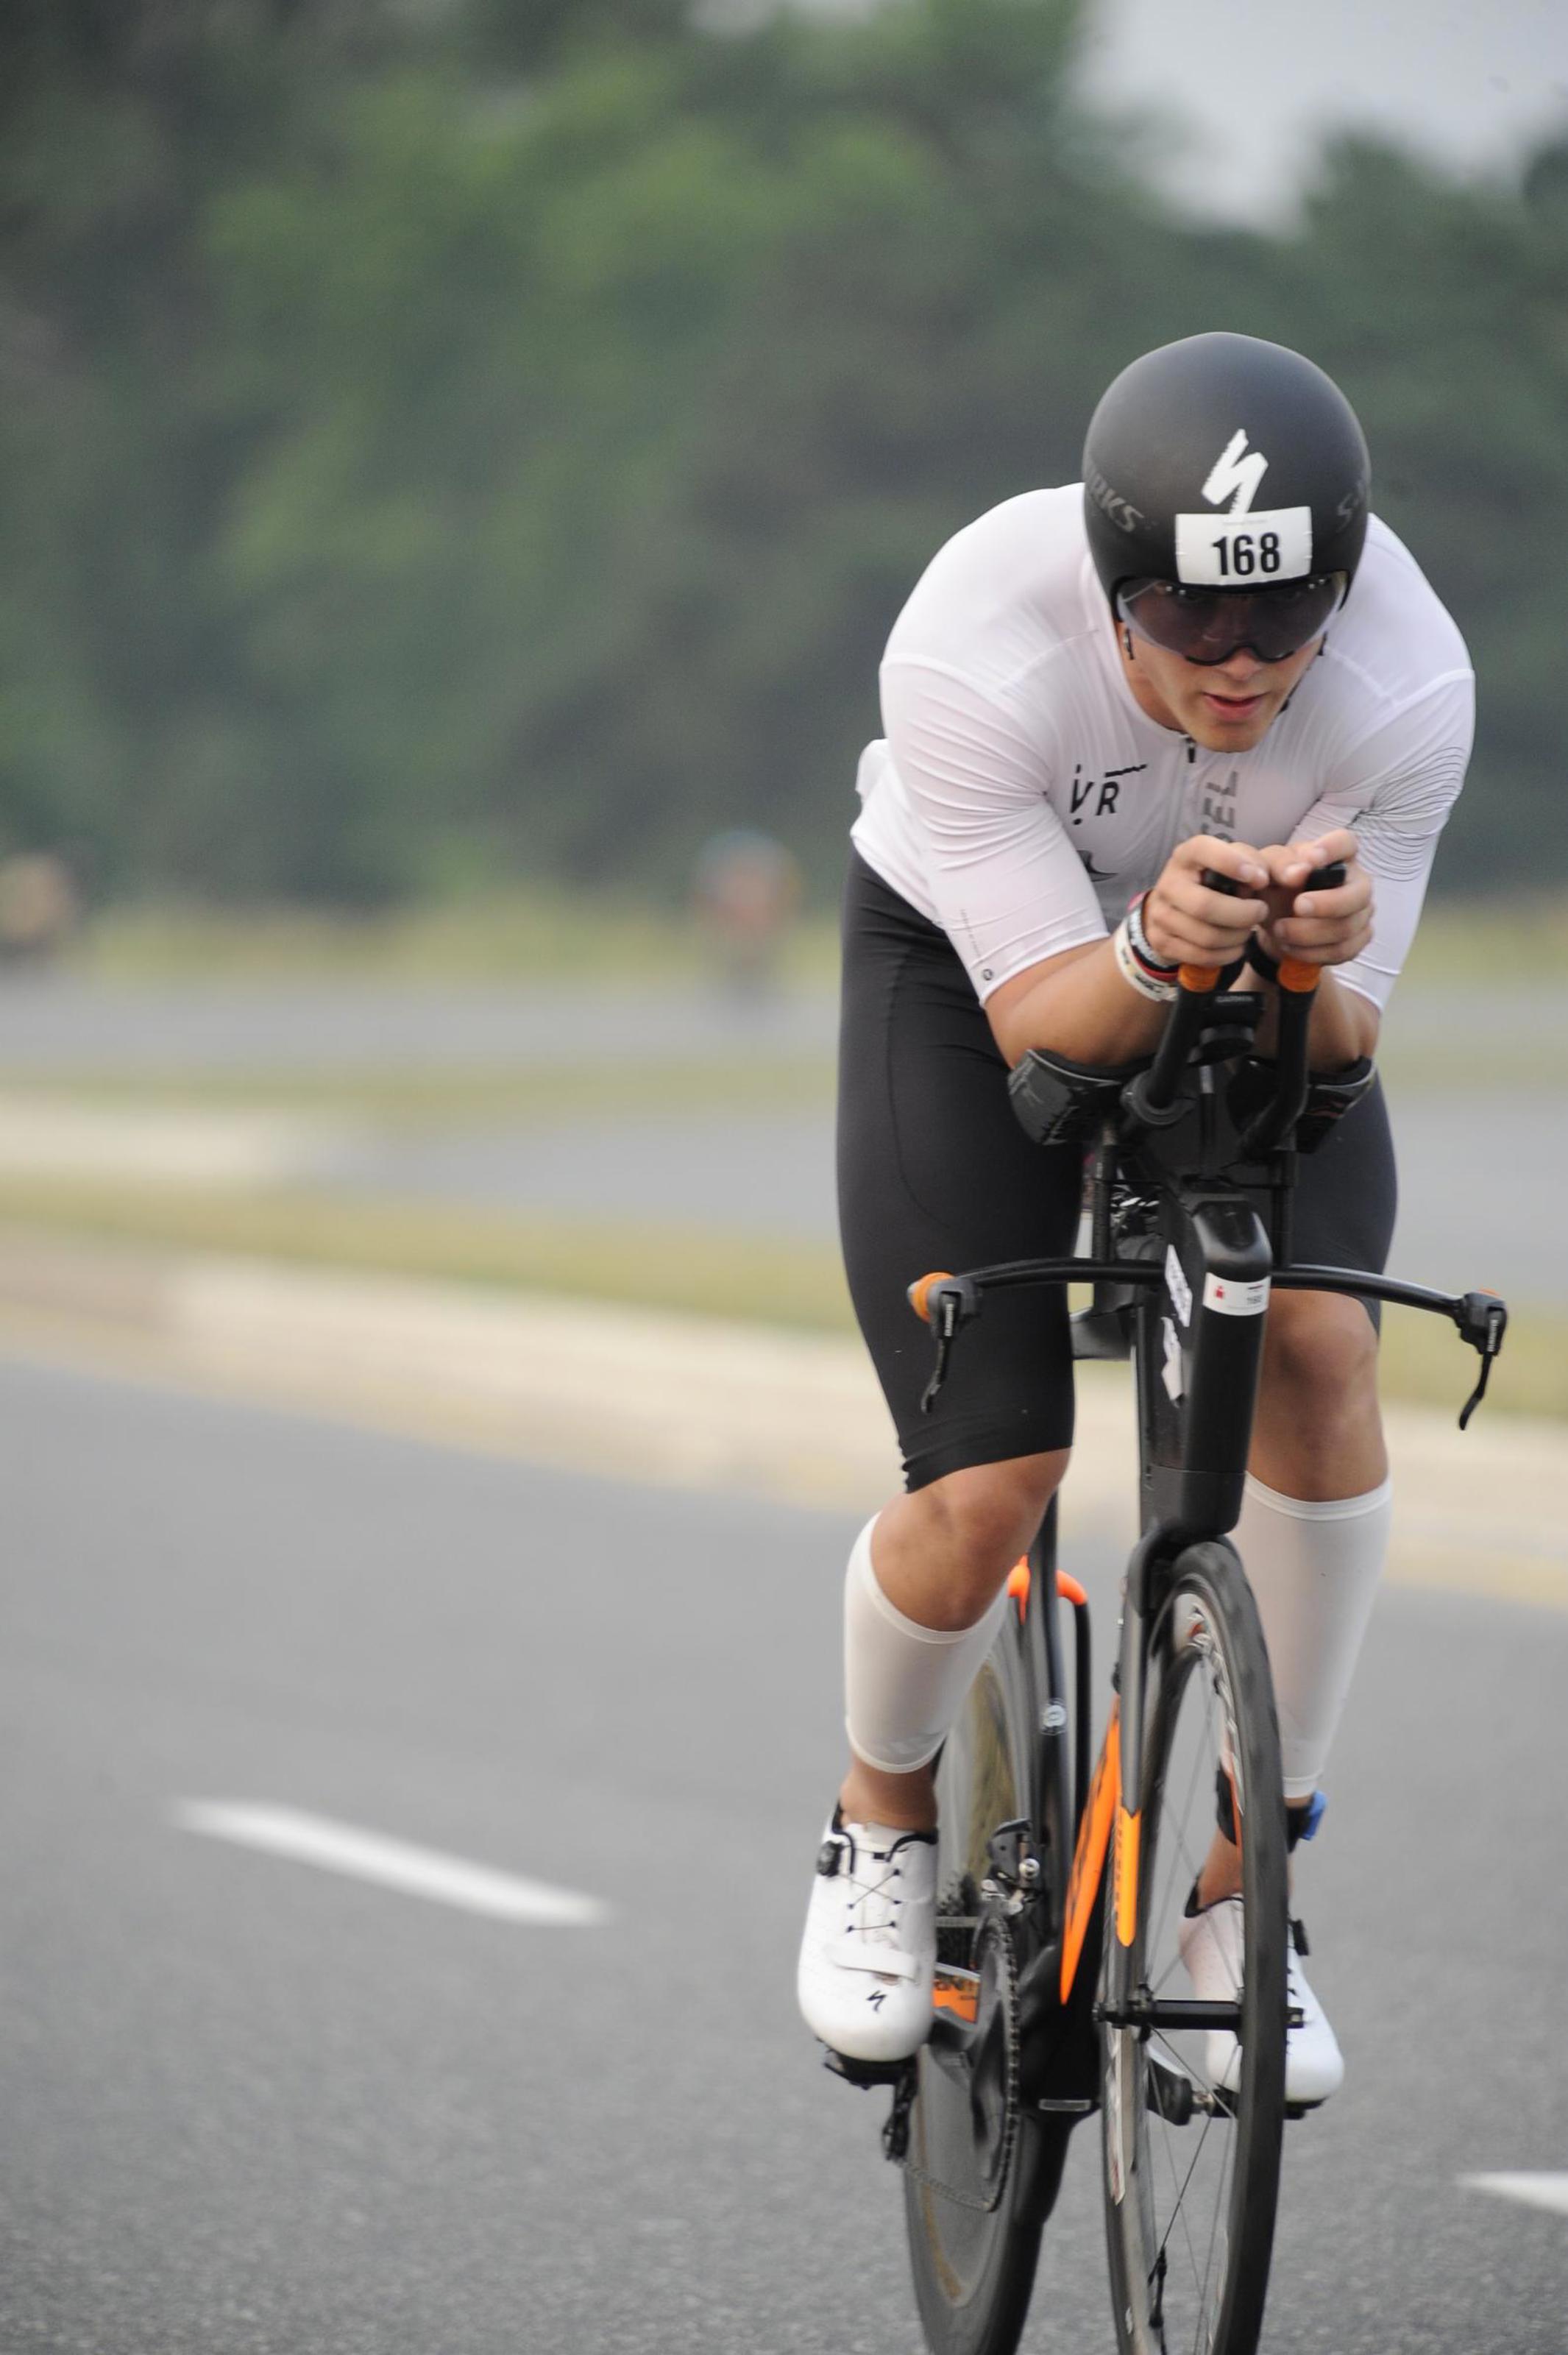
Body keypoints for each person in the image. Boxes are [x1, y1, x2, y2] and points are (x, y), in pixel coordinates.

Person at [797, 332, 1472, 2106]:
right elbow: (1043, 1037)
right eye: (1188, 626)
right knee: (989, 1476)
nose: (1242, 667)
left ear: (1343, 581)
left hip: (1247, 979)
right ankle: (878, 1818)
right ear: (1109, 592)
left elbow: (1340, 1053)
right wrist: (1153, 945)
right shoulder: (971, 641)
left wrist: (1308, 967)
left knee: (1320, 1346)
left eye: (1283, 623)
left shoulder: (1404, 681)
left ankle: (1250, 1900)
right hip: (976, 970)